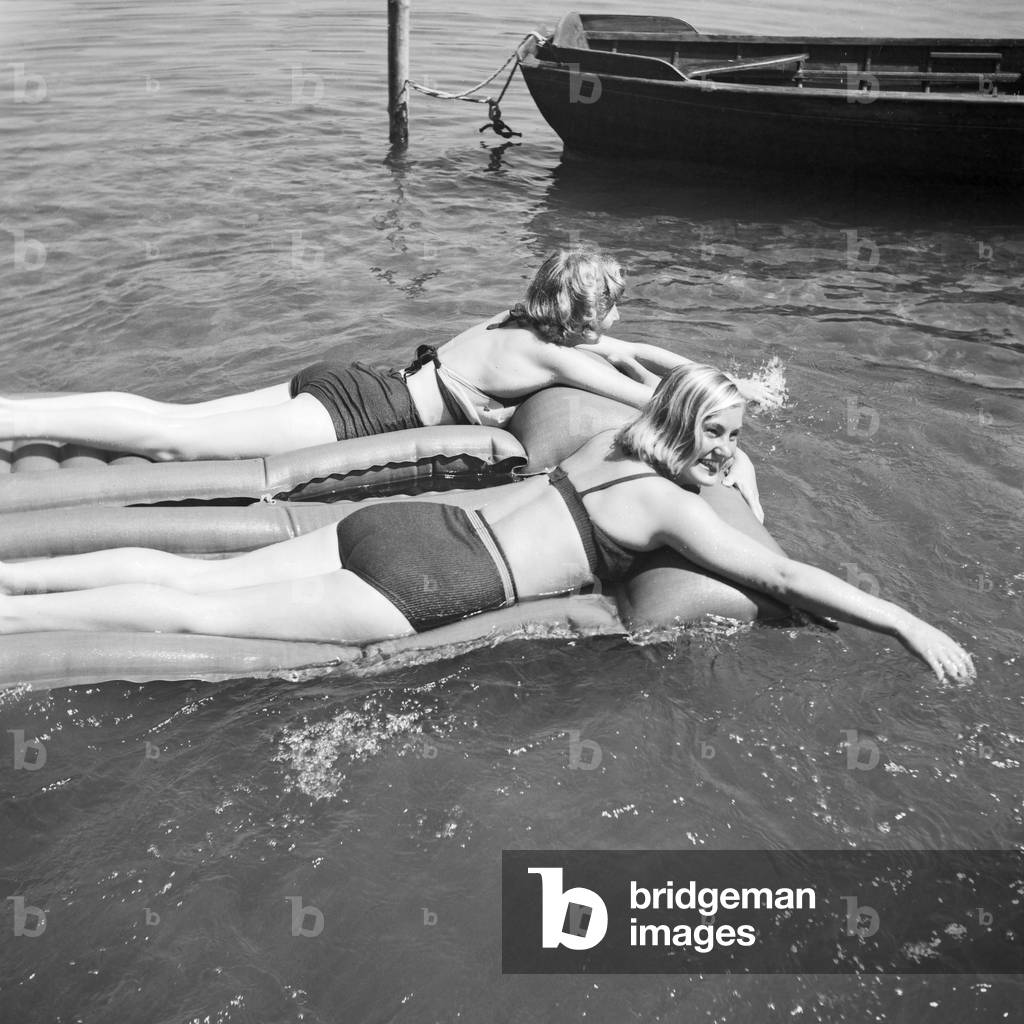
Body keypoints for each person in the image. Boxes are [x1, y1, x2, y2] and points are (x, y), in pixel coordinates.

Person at [0, 365, 973, 684]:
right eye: (725, 442)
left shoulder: (611, 440)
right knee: (194, 613)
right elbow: (789, 576)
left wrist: (730, 421)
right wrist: (905, 621)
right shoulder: (671, 504)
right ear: (703, 440)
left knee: (180, 571)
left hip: (406, 521)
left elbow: (688, 420)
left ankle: (17, 584)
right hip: (432, 585)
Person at [0, 246, 770, 462]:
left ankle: (20, 414)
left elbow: (638, 349)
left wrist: (730, 377)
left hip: (357, 375)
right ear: (584, 317)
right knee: (177, 437)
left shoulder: (516, 318)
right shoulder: (561, 361)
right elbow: (659, 399)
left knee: (180, 418)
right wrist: (729, 425)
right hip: (367, 410)